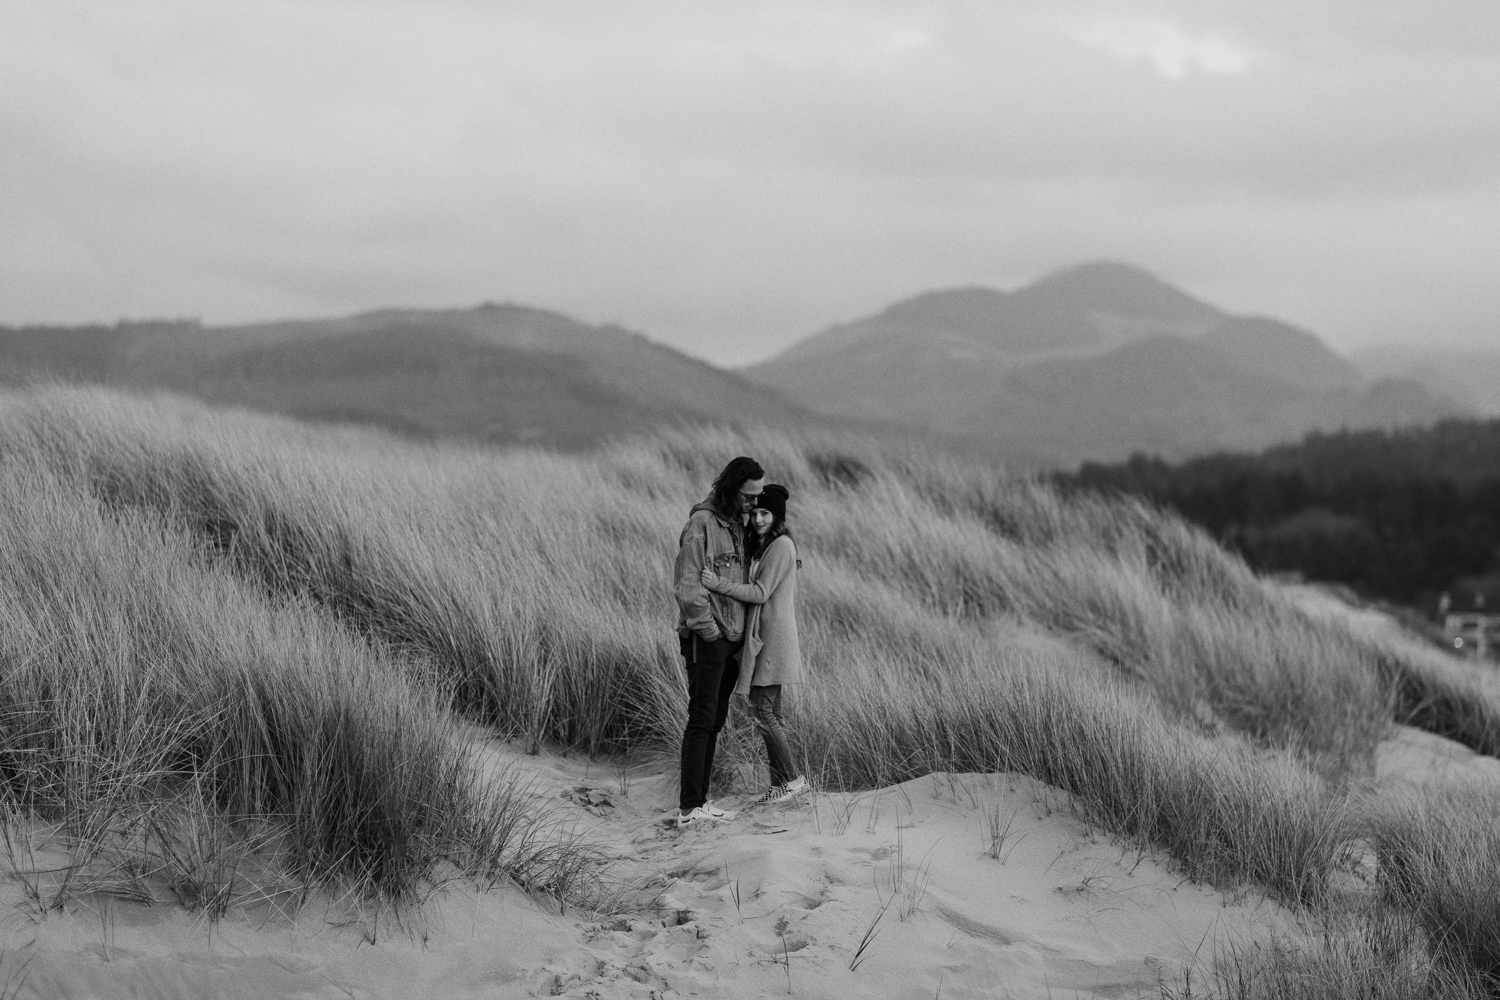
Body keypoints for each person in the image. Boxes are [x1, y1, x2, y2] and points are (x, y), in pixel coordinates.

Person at [672, 456, 764, 828]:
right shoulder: (701, 524)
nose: (753, 504)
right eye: (748, 496)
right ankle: (689, 808)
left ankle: (701, 801)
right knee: (701, 718)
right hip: (706, 637)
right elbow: (688, 589)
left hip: (731, 641)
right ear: (731, 488)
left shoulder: (738, 527)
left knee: (715, 720)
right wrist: (711, 634)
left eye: (757, 497)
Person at [700, 483, 808, 805]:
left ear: (777, 517)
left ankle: (793, 779)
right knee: (769, 711)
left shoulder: (781, 546)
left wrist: (717, 584)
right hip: (769, 637)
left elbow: (760, 592)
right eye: (756, 513)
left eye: (766, 513)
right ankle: (780, 785)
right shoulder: (767, 545)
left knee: (762, 711)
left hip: (773, 640)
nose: (759, 519)